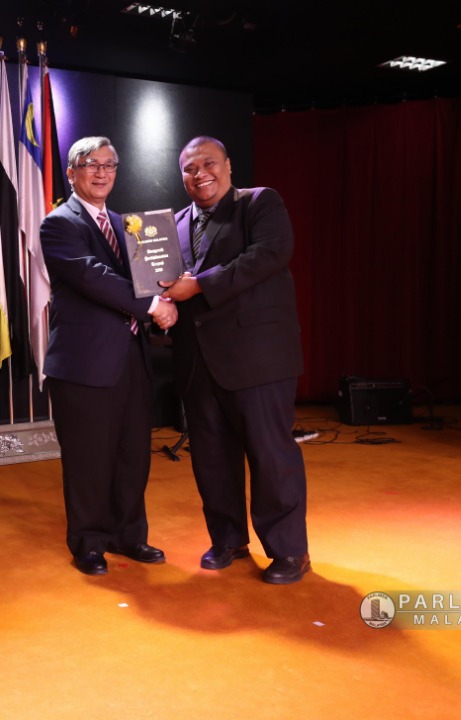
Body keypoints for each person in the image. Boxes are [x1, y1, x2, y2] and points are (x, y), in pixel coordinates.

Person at [161, 135, 310, 584]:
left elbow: (269, 255)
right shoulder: (172, 225)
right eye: (190, 168)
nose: (200, 173)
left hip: (257, 359)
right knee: (211, 458)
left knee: (271, 456)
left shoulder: (259, 203)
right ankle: (228, 540)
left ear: (227, 166)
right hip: (197, 361)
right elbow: (163, 284)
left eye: (209, 163)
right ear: (182, 177)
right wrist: (159, 303)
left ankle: (289, 551)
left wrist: (198, 285)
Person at [39, 136, 177, 576]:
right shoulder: (58, 224)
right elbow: (93, 276)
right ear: (71, 172)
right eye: (90, 164)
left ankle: (129, 535)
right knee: (88, 459)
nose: (101, 172)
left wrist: (170, 287)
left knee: (132, 454)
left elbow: (151, 275)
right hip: (83, 364)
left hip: (132, 357)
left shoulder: (126, 224)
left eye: (109, 164)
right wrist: (154, 305)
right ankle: (89, 542)